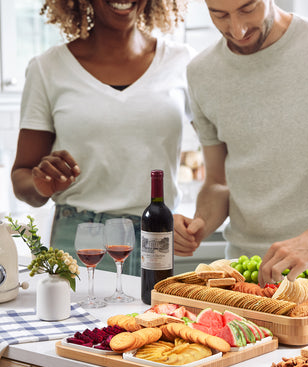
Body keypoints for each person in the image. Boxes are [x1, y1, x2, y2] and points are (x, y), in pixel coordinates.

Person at [173, 0, 308, 286]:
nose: (237, 30)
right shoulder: (201, 72)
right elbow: (218, 182)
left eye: (247, 9)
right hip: (244, 276)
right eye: (220, 15)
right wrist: (199, 224)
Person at [11, 0, 193, 276]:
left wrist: (200, 220)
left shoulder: (183, 62)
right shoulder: (47, 68)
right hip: (79, 239)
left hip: (154, 238)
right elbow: (22, 177)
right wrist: (42, 184)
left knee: (151, 320)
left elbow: (224, 157)